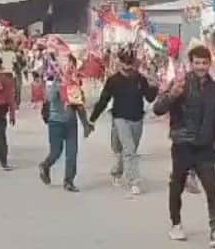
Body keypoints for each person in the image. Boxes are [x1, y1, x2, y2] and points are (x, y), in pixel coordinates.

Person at [153, 45, 215, 246]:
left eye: (204, 63)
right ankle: (176, 224)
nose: (201, 67)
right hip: (183, 143)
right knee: (177, 184)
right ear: (191, 63)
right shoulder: (180, 83)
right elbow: (158, 108)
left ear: (209, 64)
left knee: (212, 186)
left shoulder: (214, 88)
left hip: (205, 146)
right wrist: (173, 95)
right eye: (197, 63)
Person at [90, 50, 157, 195]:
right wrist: (92, 119)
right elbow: (103, 101)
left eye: (130, 64)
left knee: (127, 150)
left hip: (137, 119)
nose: (127, 67)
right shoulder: (113, 80)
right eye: (124, 63)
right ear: (119, 63)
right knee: (129, 150)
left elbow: (150, 98)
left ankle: (116, 172)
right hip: (120, 118)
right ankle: (134, 180)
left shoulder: (140, 79)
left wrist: (154, 85)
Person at [38, 54, 93, 192]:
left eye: (72, 66)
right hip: (56, 122)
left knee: (72, 153)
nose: (70, 68)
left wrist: (86, 124)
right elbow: (49, 98)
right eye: (68, 65)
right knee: (56, 152)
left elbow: (79, 106)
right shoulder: (54, 80)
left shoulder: (75, 84)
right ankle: (45, 165)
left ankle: (68, 181)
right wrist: (56, 83)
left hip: (71, 123)